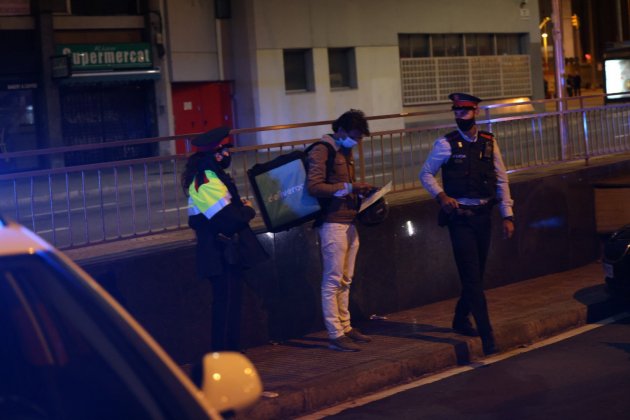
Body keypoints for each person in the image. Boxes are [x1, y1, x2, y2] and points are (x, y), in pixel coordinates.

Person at [419, 93, 515, 356]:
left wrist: (507, 215)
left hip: (484, 216)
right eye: (457, 112)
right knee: (472, 277)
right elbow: (425, 173)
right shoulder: (445, 144)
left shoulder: (488, 142)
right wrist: (441, 196)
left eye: (465, 112)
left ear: (475, 112)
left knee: (477, 275)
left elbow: (501, 179)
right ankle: (488, 337)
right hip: (460, 218)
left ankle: (461, 318)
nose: (460, 116)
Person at [181, 126, 268, 352]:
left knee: (230, 306)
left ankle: (230, 354)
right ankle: (224, 358)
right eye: (226, 150)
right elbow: (227, 219)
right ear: (217, 153)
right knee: (226, 307)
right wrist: (248, 210)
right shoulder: (206, 182)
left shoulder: (212, 176)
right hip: (219, 254)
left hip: (225, 252)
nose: (228, 155)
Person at [306, 109, 375, 352]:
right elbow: (314, 186)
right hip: (332, 222)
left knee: (346, 279)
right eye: (355, 136)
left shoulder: (344, 151)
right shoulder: (322, 150)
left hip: (349, 220)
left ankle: (346, 327)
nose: (357, 141)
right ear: (342, 131)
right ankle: (335, 333)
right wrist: (349, 186)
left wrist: (359, 191)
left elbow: (342, 186)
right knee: (333, 280)